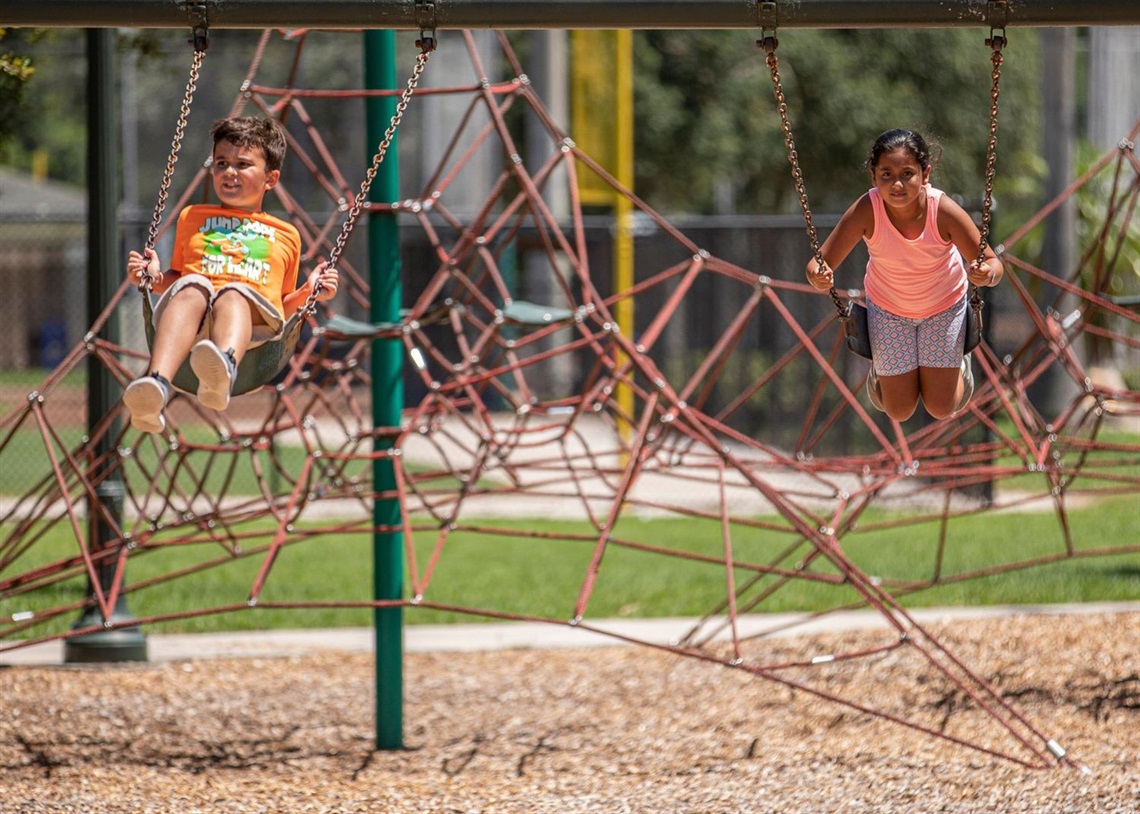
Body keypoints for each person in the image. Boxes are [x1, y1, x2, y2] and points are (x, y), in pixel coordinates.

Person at [123, 116, 339, 433]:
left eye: (242, 164)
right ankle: (155, 386)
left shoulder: (285, 234)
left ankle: (222, 368)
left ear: (271, 178)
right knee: (193, 285)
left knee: (233, 293)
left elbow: (280, 305)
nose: (229, 172)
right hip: (193, 326)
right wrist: (152, 279)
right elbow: (177, 278)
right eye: (221, 163)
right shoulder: (192, 217)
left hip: (253, 332)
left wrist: (310, 292)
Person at [805, 128, 1002, 421]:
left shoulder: (943, 210)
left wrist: (985, 274)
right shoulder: (867, 210)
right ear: (874, 177)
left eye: (907, 173)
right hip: (889, 311)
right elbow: (818, 264)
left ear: (925, 174)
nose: (897, 184)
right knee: (899, 410)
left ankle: (959, 364)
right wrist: (818, 276)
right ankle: (881, 370)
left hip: (944, 309)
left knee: (941, 407)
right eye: (886, 174)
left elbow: (993, 263)